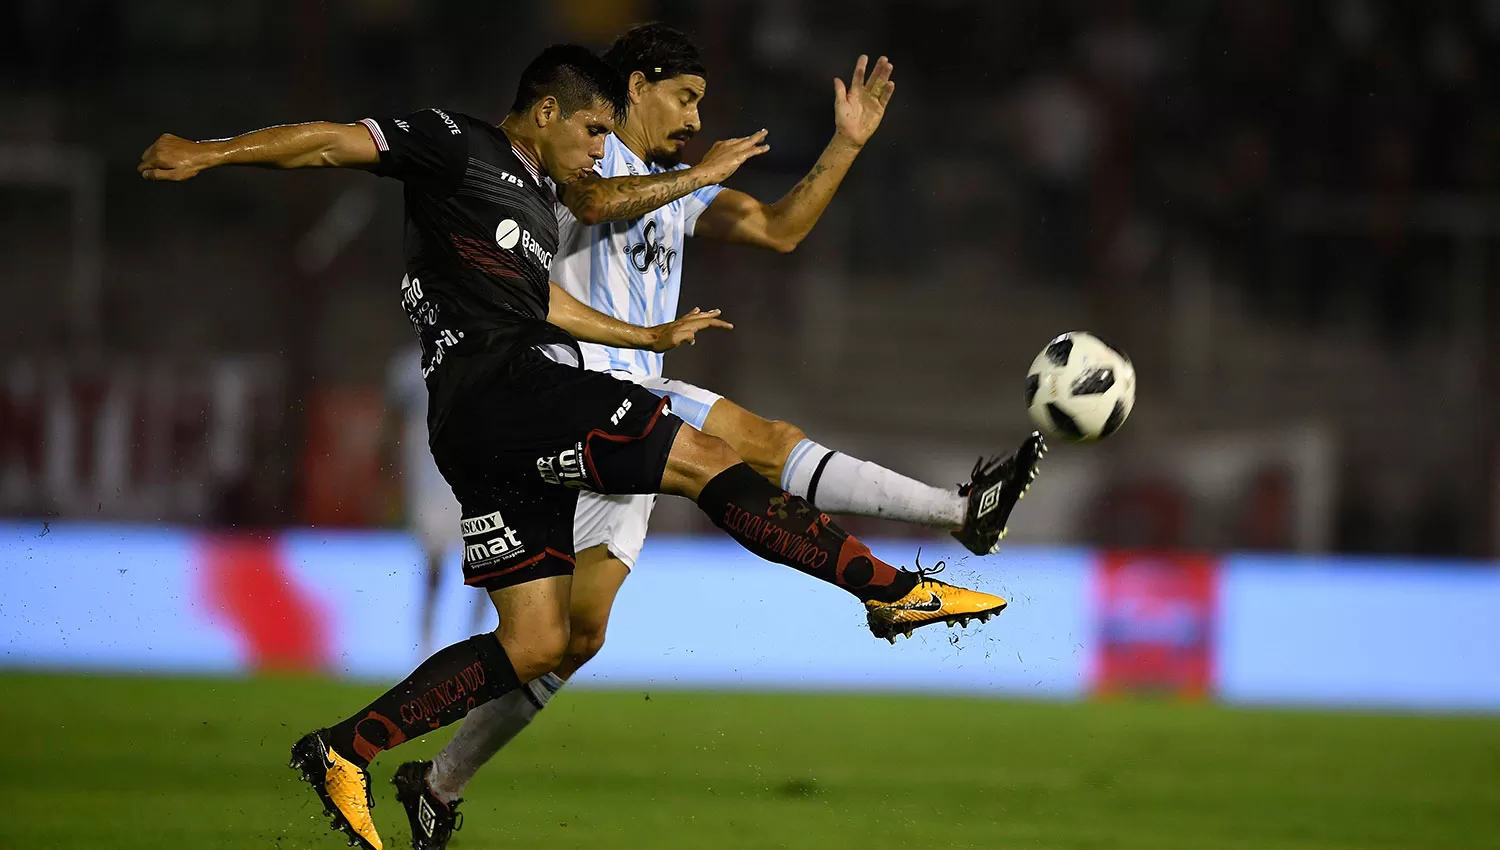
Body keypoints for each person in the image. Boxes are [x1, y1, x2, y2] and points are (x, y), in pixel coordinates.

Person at [139, 44, 1012, 850]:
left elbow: (542, 305)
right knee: (710, 458)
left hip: (474, 429)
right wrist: (210, 152)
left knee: (537, 643)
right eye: (594, 130)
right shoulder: (457, 145)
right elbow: (332, 143)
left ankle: (344, 750)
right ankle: (892, 588)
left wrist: (651, 331)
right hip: (512, 391)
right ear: (548, 111)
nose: (600, 149)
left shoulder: (532, 205)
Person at [387, 25, 1047, 850]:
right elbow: (591, 206)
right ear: (634, 87)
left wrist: (844, 146)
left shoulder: (671, 183)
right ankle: (955, 517)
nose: (697, 120)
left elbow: (778, 229)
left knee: (576, 637)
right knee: (760, 440)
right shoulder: (570, 161)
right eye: (686, 98)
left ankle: (437, 786)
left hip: (626, 405)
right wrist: (696, 179)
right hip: (569, 396)